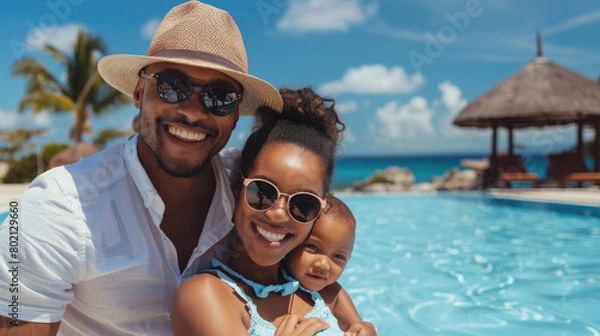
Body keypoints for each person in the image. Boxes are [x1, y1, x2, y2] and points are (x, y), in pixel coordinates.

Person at [0, 2, 282, 335]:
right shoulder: (53, 210)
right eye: (171, 86)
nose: (192, 112)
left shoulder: (256, 192)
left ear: (235, 115)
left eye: (219, 96)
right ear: (139, 92)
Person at [172, 87, 372, 336]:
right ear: (237, 188)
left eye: (302, 204)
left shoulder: (321, 293)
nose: (278, 214)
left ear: (319, 210)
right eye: (263, 192)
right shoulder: (206, 296)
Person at [286, 196, 377, 335]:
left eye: (339, 256)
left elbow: (358, 326)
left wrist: (368, 330)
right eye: (312, 247)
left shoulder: (332, 293)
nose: (323, 265)